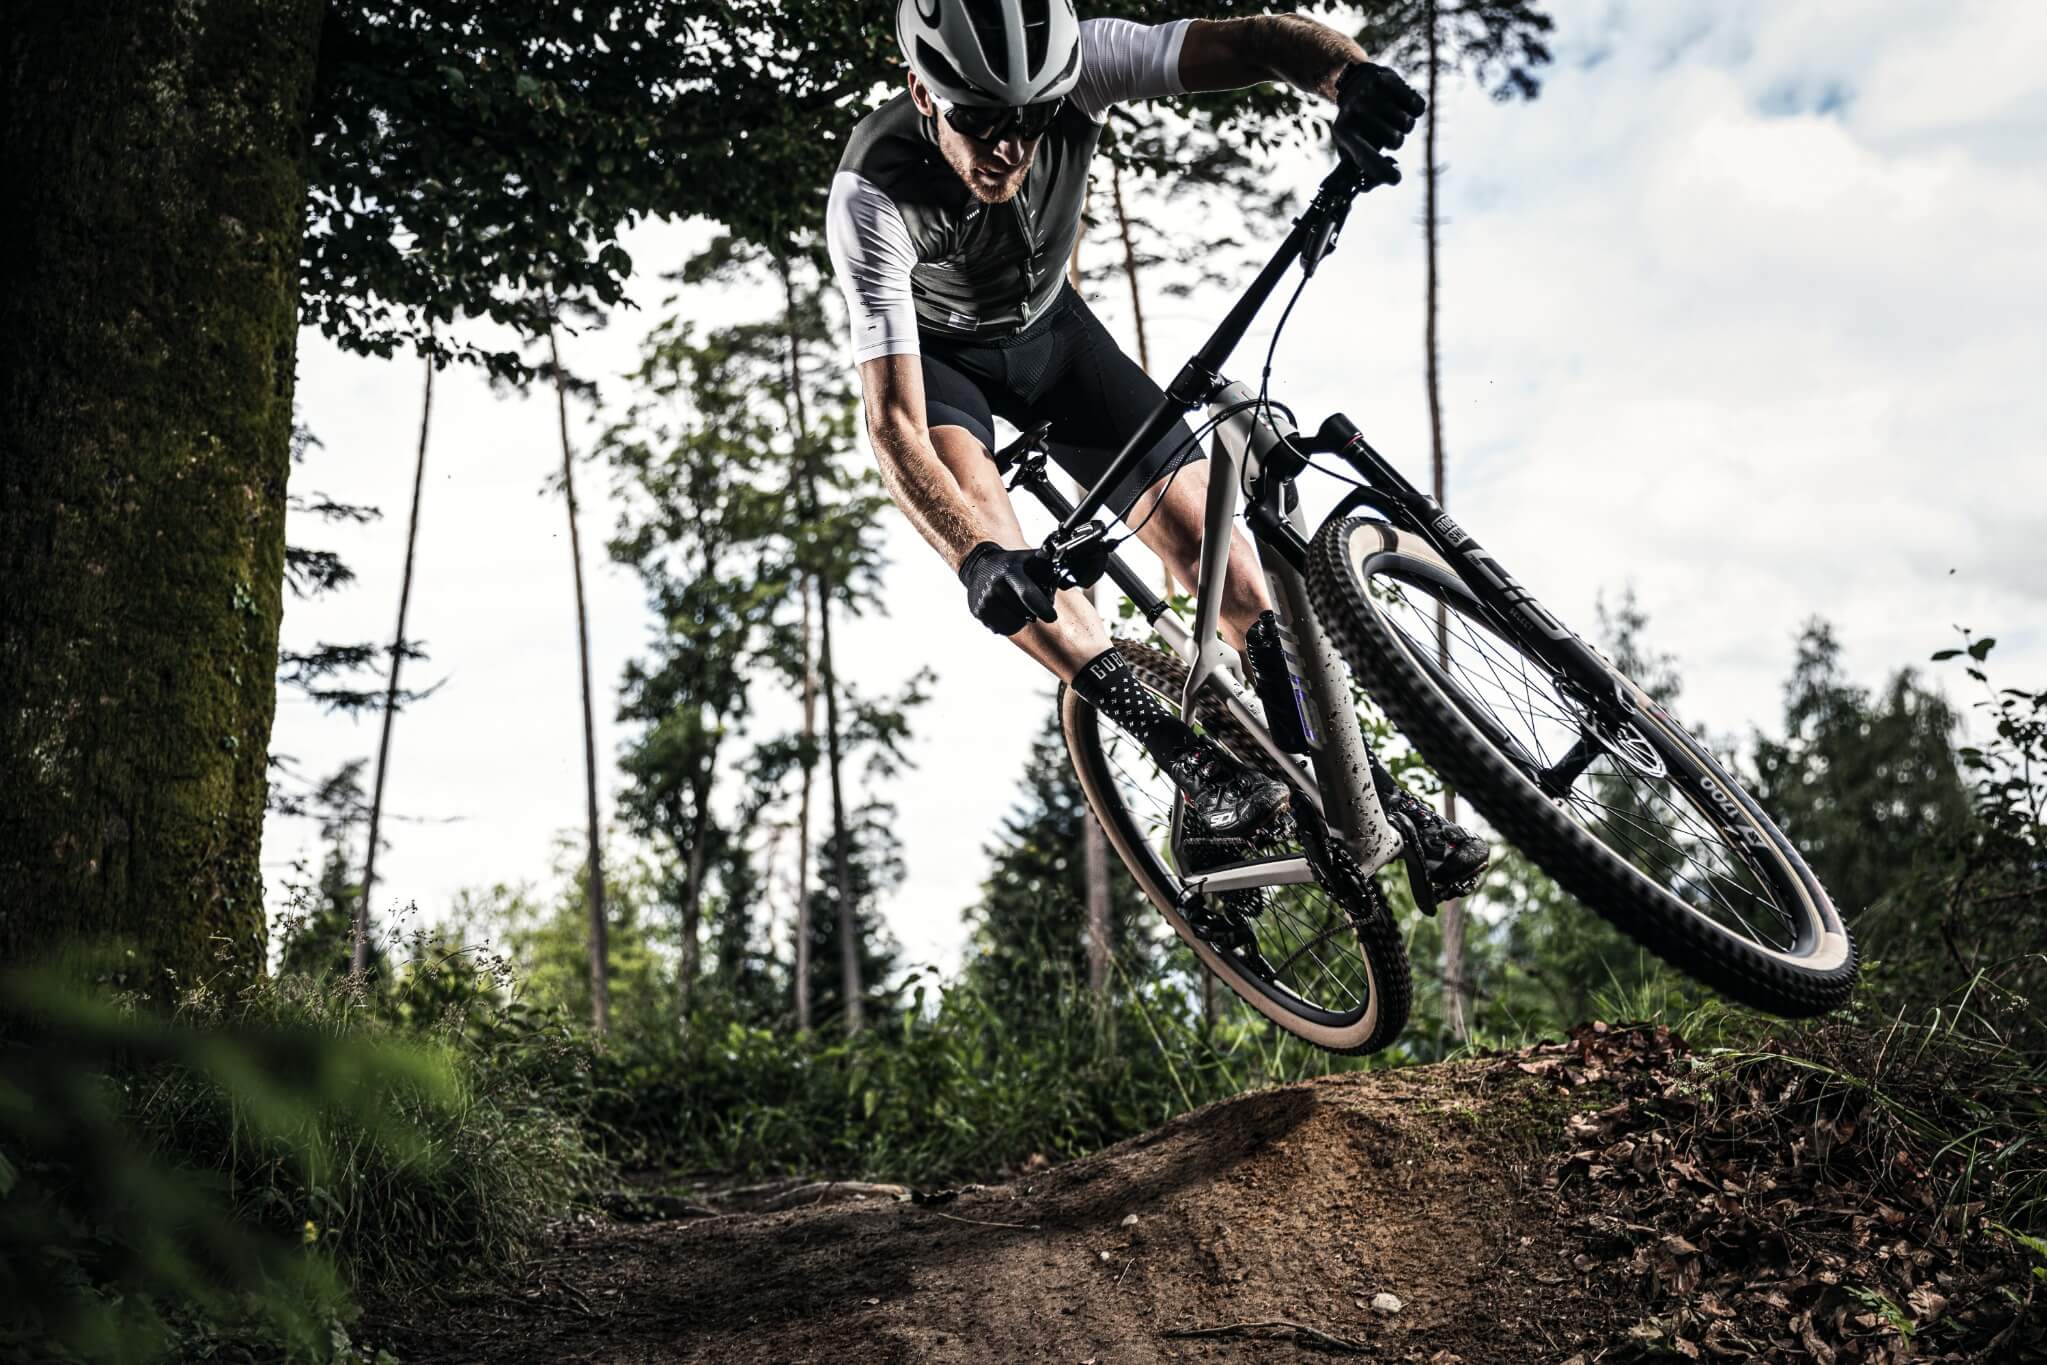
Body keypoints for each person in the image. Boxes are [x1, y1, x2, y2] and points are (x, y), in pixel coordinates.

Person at [827, 0, 1486, 890]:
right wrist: (975, 556)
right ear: (922, 91)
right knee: (1000, 545)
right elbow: (894, 423)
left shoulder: (1087, 61)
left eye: (1028, 123)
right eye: (981, 122)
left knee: (1238, 580)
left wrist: (1346, 75)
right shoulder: (871, 191)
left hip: (1057, 340)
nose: (1008, 150)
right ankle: (1187, 759)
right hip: (942, 363)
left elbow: (1255, 42)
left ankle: (1378, 803)